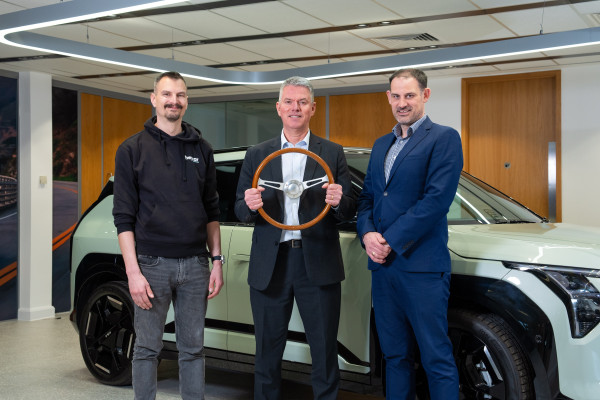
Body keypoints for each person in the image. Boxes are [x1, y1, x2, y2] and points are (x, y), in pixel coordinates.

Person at [234, 76, 356, 400]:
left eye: (302, 102)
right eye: (288, 102)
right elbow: (239, 208)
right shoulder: (257, 154)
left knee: (324, 352)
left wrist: (338, 200)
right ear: (278, 108)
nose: (295, 108)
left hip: (317, 261)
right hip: (271, 264)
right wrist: (249, 204)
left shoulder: (332, 152)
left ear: (313, 108)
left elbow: (347, 209)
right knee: (267, 353)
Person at [112, 71, 224, 400]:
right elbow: (123, 217)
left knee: (193, 350)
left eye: (180, 95)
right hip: (151, 265)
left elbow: (212, 211)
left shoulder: (202, 149)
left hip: (194, 265)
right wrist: (133, 273)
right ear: (153, 99)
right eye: (167, 94)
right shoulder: (131, 149)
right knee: (147, 349)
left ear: (186, 101)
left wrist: (216, 261)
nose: (173, 101)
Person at [357, 68, 463, 399]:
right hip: (384, 271)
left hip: (422, 268)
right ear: (389, 98)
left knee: (435, 357)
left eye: (410, 95)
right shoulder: (380, 145)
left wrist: (389, 240)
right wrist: (368, 235)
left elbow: (435, 201)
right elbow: (368, 200)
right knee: (394, 357)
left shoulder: (443, 138)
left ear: (425, 96)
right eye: (396, 96)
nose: (402, 103)